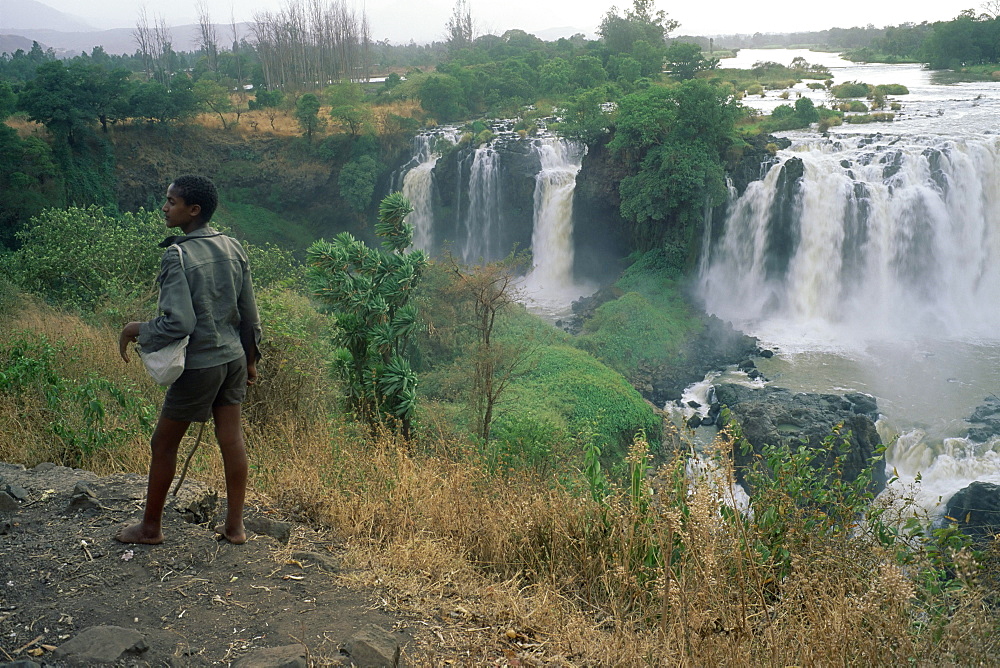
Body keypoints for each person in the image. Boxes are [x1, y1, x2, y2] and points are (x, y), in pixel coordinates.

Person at [117, 175, 261, 545]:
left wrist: (137, 329)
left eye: (171, 202)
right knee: (231, 440)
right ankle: (235, 528)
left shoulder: (177, 255)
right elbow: (249, 314)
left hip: (200, 364)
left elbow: (179, 322)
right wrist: (250, 359)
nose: (164, 208)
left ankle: (150, 528)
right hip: (231, 359)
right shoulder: (232, 246)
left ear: (192, 210)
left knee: (163, 444)